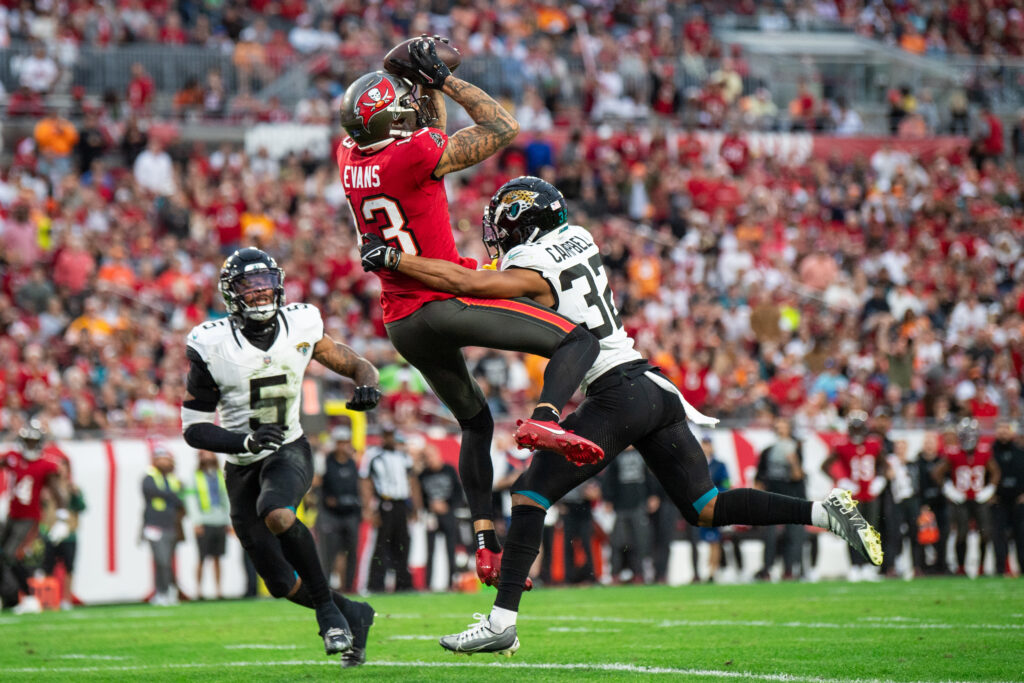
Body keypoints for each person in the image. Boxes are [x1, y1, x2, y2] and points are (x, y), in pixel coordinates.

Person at [361, 175, 883, 655]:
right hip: (651, 385)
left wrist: (394, 261)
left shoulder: (535, 268)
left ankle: (501, 623)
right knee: (704, 505)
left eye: (501, 227)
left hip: (615, 392)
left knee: (528, 494)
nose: (497, 237)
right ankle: (823, 512)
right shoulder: (580, 237)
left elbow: (467, 286)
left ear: (521, 223)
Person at [337, 36, 603, 587]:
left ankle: (485, 545)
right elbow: (501, 128)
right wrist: (444, 82)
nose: (411, 107)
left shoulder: (351, 157)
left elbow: (414, 130)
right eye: (402, 108)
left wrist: (414, 88)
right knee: (578, 340)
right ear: (390, 124)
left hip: (401, 322)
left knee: (475, 422)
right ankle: (546, 419)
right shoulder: (411, 154)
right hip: (444, 299)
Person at [180, 247, 378, 667]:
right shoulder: (211, 343)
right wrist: (243, 443)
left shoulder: (301, 323)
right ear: (232, 295)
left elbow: (352, 361)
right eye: (249, 287)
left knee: (278, 512)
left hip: (289, 447)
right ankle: (355, 614)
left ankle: (329, 616)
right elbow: (193, 428)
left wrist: (366, 381)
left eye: (265, 284)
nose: (259, 294)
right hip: (242, 464)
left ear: (279, 284)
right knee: (279, 582)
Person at [0, 421, 61, 614]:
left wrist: (62, 515)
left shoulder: (46, 465)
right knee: (3, 557)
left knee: (12, 555)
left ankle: (29, 596)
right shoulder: (12, 457)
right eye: (28, 441)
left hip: (29, 518)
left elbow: (58, 491)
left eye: (34, 442)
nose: (31, 446)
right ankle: (9, 599)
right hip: (11, 514)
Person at [821, 410, 886, 582]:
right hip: (853, 495)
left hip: (870, 494)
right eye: (854, 428)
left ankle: (869, 566)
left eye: (860, 428)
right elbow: (825, 466)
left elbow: (884, 465)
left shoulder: (874, 444)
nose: (857, 432)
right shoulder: (842, 445)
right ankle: (855, 566)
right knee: (853, 531)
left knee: (871, 530)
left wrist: (880, 479)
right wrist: (841, 480)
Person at [359, 426, 422, 593]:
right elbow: (366, 482)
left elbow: (412, 481)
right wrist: (368, 508)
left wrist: (416, 507)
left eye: (391, 436)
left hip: (401, 503)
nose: (389, 439)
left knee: (403, 543)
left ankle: (403, 583)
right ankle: (376, 584)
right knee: (381, 544)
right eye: (386, 436)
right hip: (385, 503)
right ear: (382, 437)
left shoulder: (403, 457)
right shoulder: (374, 456)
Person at [937, 418, 1000, 576]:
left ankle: (981, 568)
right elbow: (937, 473)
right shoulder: (954, 453)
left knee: (985, 533)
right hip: (962, 499)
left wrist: (989, 489)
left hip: (979, 498)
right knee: (962, 533)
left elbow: (995, 472)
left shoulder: (984, 452)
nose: (968, 439)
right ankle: (961, 567)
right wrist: (949, 489)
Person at [754, 418, 806, 580]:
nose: (781, 431)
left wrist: (793, 462)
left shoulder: (796, 449)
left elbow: (798, 475)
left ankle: (789, 569)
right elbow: (759, 478)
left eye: (784, 427)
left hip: (791, 495)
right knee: (769, 535)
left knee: (792, 534)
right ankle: (767, 569)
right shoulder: (768, 451)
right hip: (772, 495)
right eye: (778, 428)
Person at [316, 432, 362, 592]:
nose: (343, 447)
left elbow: (362, 484)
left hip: (351, 513)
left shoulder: (353, 463)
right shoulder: (326, 461)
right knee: (329, 552)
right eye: (340, 443)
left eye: (346, 443)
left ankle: (349, 586)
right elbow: (316, 481)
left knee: (351, 552)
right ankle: (326, 586)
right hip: (331, 514)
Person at [602, 447, 654, 584]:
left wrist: (652, 495)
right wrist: (608, 499)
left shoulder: (643, 454)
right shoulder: (616, 455)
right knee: (617, 542)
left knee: (639, 542)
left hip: (638, 504)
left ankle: (639, 574)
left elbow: (649, 476)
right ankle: (615, 574)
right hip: (620, 506)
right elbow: (609, 478)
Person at [142, 444, 185, 607]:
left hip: (171, 525)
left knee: (167, 560)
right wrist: (173, 496)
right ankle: (162, 591)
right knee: (161, 560)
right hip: (155, 525)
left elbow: (181, 499)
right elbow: (153, 492)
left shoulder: (173, 479)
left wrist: (173, 496)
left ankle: (168, 591)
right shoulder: (149, 478)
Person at [186, 450, 231, 600]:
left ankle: (219, 590)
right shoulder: (195, 477)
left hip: (219, 521)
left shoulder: (220, 476)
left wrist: (228, 521)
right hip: (204, 522)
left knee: (218, 557)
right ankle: (198, 590)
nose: (208, 457)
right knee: (202, 557)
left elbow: (225, 499)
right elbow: (191, 501)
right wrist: (196, 521)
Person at [418, 444, 464, 590]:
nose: (429, 459)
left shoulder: (449, 470)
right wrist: (429, 506)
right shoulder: (422, 474)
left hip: (447, 513)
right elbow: (418, 496)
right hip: (431, 515)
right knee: (429, 550)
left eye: (431, 455)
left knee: (451, 548)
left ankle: (452, 582)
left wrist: (447, 505)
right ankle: (428, 584)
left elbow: (458, 493)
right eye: (426, 457)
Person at [43, 457, 85, 610]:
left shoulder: (73, 487)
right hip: (50, 531)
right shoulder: (46, 488)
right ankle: (49, 600)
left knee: (69, 568)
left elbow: (82, 507)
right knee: (48, 568)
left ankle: (66, 599)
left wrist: (75, 495)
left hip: (69, 533)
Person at [990, 419, 1024, 576]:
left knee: (1021, 536)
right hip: (998, 502)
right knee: (999, 537)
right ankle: (1000, 569)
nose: (1003, 431)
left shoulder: (1020, 452)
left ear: (1011, 431)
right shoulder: (989, 452)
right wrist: (989, 494)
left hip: (1019, 501)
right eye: (1000, 428)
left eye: (1006, 428)